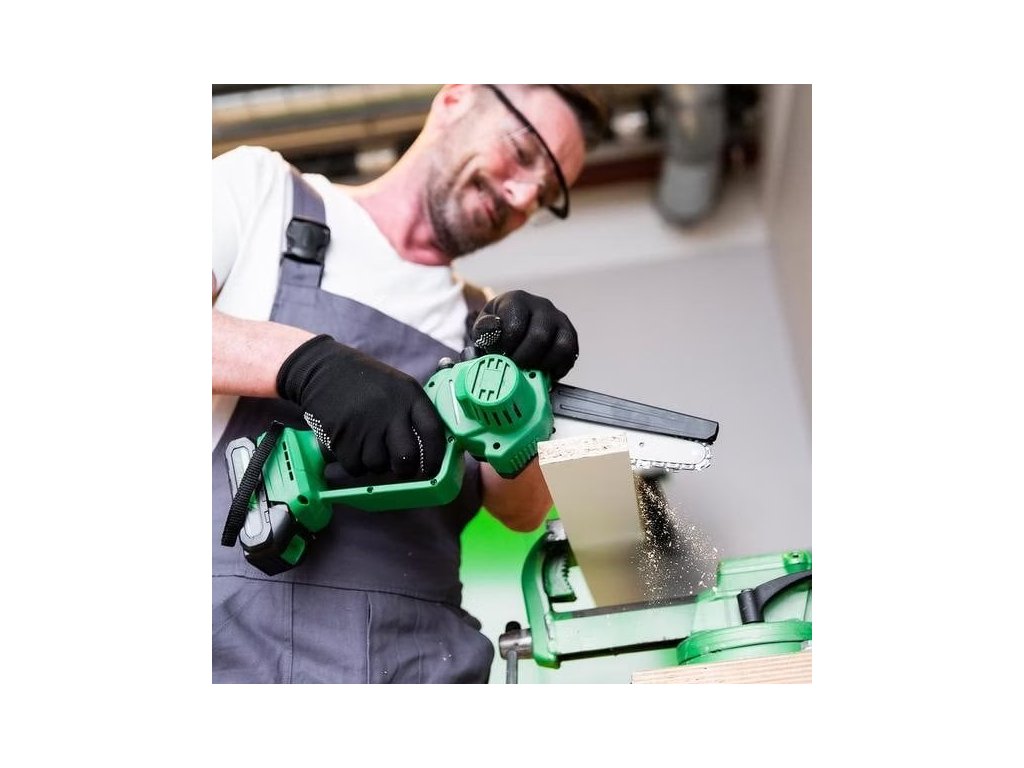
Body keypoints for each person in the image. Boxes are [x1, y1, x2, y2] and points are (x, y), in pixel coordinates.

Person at [212, 84, 609, 683]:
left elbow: (523, 510)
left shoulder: (481, 326)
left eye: (546, 194)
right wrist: (305, 364)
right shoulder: (262, 193)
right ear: (456, 99)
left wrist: (529, 393)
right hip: (237, 655)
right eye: (523, 153)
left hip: (421, 666)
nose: (523, 195)